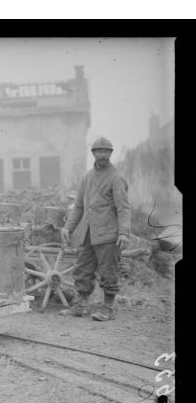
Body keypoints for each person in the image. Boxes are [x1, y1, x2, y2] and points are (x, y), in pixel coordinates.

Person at [60, 137, 131, 321]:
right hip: (87, 234)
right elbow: (78, 206)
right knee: (82, 269)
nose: (102, 155)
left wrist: (123, 232)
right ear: (93, 153)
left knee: (108, 271)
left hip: (108, 235)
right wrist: (68, 228)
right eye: (98, 151)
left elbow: (123, 208)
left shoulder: (117, 178)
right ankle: (81, 305)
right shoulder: (87, 177)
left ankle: (108, 308)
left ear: (110, 154)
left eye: (106, 151)